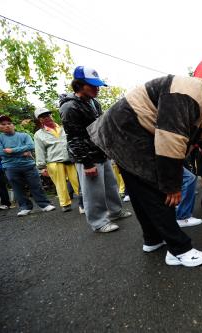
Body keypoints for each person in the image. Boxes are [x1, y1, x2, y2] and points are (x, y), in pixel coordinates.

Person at [87, 75, 202, 267]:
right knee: (158, 190)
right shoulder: (189, 94)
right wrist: (171, 185)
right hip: (129, 128)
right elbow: (170, 139)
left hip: (121, 130)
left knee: (139, 190)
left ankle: (152, 239)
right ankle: (179, 250)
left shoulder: (200, 100)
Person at [60, 66, 131, 233]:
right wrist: (86, 163)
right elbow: (74, 138)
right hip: (87, 156)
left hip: (100, 151)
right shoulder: (69, 107)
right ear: (79, 85)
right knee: (93, 191)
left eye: (97, 85)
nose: (97, 88)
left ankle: (115, 211)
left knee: (110, 185)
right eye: (92, 85)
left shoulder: (93, 102)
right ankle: (99, 222)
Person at [0, 115, 56, 216]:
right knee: (17, 188)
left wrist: (12, 150)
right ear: (0, 127)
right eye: (3, 124)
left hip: (28, 165)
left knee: (36, 185)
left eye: (9, 123)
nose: (7, 126)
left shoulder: (24, 135)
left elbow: (31, 146)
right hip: (10, 167)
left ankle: (44, 204)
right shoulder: (0, 138)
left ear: (13, 125)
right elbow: (1, 152)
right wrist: (22, 152)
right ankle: (25, 207)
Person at [33, 108, 80, 212]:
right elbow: (39, 151)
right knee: (60, 184)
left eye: (48, 115)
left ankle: (84, 201)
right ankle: (65, 204)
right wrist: (42, 167)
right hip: (54, 162)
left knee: (78, 181)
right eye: (43, 117)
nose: (47, 118)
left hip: (70, 159)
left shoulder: (64, 128)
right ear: (39, 120)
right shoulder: (39, 134)